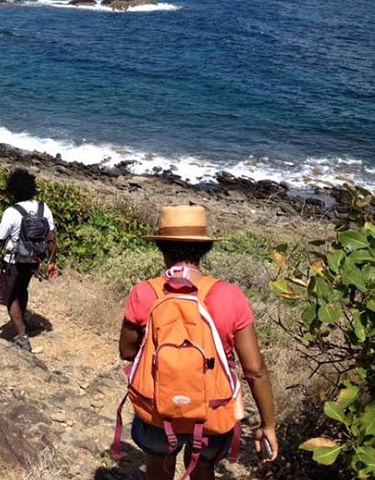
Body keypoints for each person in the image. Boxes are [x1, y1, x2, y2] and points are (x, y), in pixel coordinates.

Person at [118, 205, 278, 480]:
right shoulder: (230, 296)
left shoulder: (144, 292)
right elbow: (255, 370)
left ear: (161, 248)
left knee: (158, 467)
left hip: (157, 408)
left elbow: (126, 351)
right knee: (204, 468)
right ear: (204, 249)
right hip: (212, 411)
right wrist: (268, 425)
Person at [0, 168, 58, 352]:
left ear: (13, 189)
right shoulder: (43, 208)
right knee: (22, 289)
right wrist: (52, 261)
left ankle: (22, 336)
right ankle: (23, 321)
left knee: (10, 297)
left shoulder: (12, 212)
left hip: (14, 260)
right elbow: (51, 236)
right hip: (34, 259)